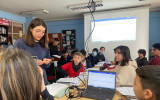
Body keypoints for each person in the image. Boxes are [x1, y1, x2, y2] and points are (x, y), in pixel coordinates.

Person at [14, 18, 51, 85]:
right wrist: (33, 62)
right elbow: (15, 63)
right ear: (31, 29)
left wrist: (47, 62)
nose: (41, 34)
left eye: (43, 32)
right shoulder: (20, 43)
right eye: (38, 31)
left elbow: (47, 66)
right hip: (27, 82)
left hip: (42, 80)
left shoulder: (44, 44)